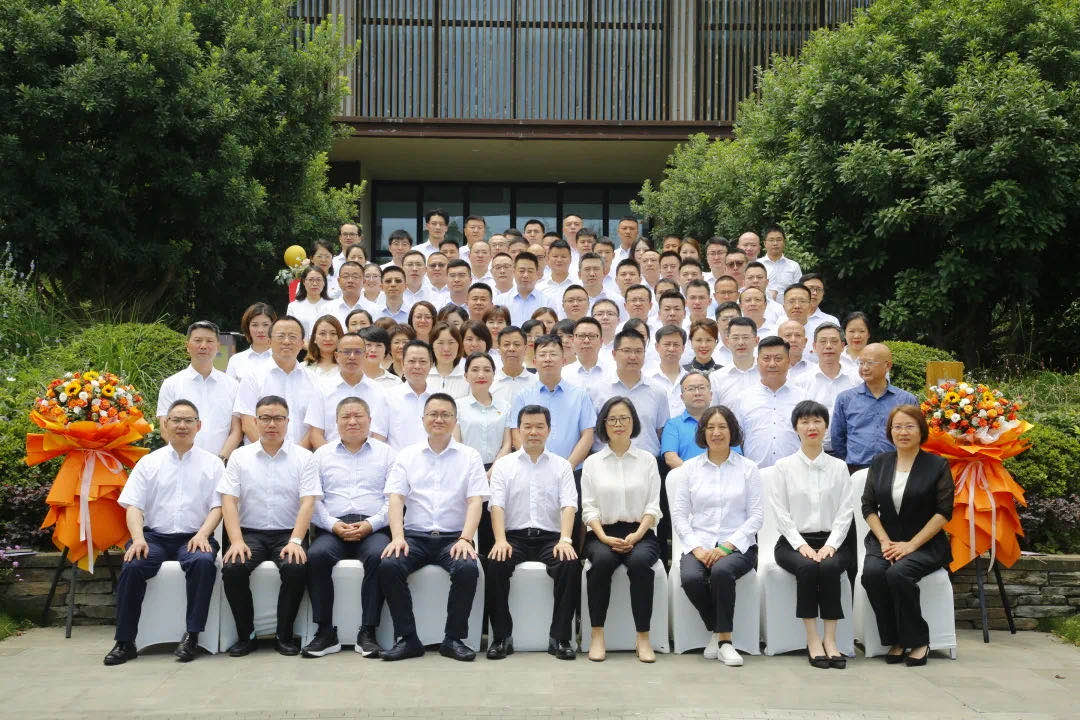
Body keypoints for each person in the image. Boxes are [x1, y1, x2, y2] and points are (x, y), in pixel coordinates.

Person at [104, 399, 224, 666]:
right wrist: (138, 539)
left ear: (199, 426)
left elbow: (218, 506)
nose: (182, 425)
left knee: (203, 562)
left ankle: (192, 636)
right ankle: (125, 642)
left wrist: (203, 534)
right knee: (133, 565)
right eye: (176, 420)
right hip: (154, 538)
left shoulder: (213, 464)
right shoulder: (149, 463)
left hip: (194, 536)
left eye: (188, 420)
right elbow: (133, 506)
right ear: (166, 425)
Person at [378, 394, 489, 662]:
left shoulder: (470, 456)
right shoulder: (407, 455)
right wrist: (397, 537)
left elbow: (475, 501)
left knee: (467, 568)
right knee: (389, 565)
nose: (439, 419)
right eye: (433, 414)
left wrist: (466, 539)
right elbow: (396, 498)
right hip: (415, 537)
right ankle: (408, 639)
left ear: (455, 420)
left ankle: (453, 639)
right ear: (423, 419)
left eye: (445, 415)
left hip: (453, 538)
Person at [219, 395, 318, 656]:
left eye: (278, 418)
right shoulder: (240, 457)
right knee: (232, 568)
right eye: (265, 418)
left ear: (287, 422)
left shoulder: (304, 458)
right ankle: (247, 635)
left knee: (296, 567)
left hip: (288, 533)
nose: (271, 424)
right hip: (250, 534)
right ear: (255, 421)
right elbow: (228, 500)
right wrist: (236, 541)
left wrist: (296, 541)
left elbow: (308, 502)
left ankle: (284, 635)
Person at [485, 405, 580, 660]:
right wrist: (500, 540)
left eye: (539, 426)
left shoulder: (561, 466)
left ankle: (560, 638)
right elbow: (496, 505)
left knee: (569, 563)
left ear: (549, 430)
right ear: (518, 430)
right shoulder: (504, 466)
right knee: (495, 563)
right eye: (527, 426)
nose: (533, 432)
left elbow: (569, 505)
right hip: (514, 537)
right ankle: (501, 637)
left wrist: (565, 540)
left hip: (551, 538)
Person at [860, 405, 953, 666]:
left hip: (925, 543)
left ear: (921, 430)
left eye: (909, 426)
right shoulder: (880, 462)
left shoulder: (937, 465)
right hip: (885, 540)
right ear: (890, 431)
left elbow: (944, 512)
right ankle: (896, 639)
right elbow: (868, 507)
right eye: (897, 427)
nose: (903, 432)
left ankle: (919, 640)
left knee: (898, 573)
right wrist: (884, 541)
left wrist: (911, 545)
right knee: (873, 574)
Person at [301, 397, 394, 659]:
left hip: (373, 527)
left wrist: (371, 523)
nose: (352, 421)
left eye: (358, 416)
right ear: (336, 422)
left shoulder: (387, 454)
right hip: (332, 527)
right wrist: (333, 525)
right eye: (346, 417)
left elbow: (394, 500)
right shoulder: (321, 455)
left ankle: (368, 633)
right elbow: (313, 499)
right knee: (316, 556)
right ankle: (324, 632)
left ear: (370, 420)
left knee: (380, 556)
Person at [670, 405, 762, 667]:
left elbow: (756, 516)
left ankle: (724, 642)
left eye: (722, 427)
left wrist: (727, 547)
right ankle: (716, 629)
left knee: (722, 571)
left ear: (732, 431)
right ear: (702, 432)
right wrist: (697, 548)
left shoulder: (748, 468)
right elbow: (680, 516)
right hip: (699, 543)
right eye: (710, 427)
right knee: (690, 578)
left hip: (739, 546)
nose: (716, 432)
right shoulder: (689, 469)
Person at [769, 400, 855, 669]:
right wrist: (800, 545)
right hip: (792, 543)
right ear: (796, 428)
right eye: (804, 422)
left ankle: (831, 639)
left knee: (829, 567)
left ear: (826, 426)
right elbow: (780, 512)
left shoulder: (838, 467)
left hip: (833, 541)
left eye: (817, 421)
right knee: (807, 568)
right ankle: (813, 639)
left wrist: (831, 545)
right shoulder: (783, 467)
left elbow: (846, 511)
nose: (811, 427)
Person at [581, 396, 662, 663]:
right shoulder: (593, 463)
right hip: (601, 532)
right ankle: (597, 635)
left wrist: (638, 534)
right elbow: (588, 507)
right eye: (612, 419)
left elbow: (653, 505)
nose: (618, 424)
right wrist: (603, 536)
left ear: (633, 422)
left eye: (624, 418)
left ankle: (643, 637)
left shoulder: (647, 460)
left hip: (640, 532)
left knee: (640, 563)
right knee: (602, 562)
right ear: (604, 424)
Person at [507, 335, 596, 472]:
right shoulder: (522, 396)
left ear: (564, 361)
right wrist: (533, 463)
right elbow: (516, 434)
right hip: (532, 470)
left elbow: (588, 435)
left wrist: (568, 467)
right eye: (542, 355)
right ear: (534, 362)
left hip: (572, 471)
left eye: (553, 354)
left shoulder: (580, 396)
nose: (547, 359)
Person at [157, 321, 242, 461]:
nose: (203, 346)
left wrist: (221, 460)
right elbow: (165, 429)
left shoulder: (232, 386)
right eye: (197, 340)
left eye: (209, 341)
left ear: (218, 347)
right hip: (182, 461)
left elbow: (236, 430)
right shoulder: (171, 384)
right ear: (187, 346)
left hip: (221, 464)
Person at [831, 343, 918, 472]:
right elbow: (837, 438)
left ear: (887, 365)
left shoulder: (906, 400)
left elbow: (916, 436)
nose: (864, 368)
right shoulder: (845, 399)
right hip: (856, 467)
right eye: (861, 363)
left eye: (870, 363)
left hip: (895, 468)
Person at [235, 316, 319, 448]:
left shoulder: (313, 379)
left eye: (292, 337)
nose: (286, 341)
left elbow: (315, 425)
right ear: (269, 342)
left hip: (303, 457)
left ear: (302, 343)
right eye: (280, 336)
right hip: (260, 455)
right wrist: (272, 452)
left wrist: (297, 455)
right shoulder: (253, 376)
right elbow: (248, 423)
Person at [590, 330, 670, 459]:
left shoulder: (658, 391)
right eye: (626, 351)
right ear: (614, 354)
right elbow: (591, 431)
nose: (633, 356)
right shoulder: (597, 390)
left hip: (648, 463)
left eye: (638, 351)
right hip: (606, 462)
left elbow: (661, 431)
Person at [730, 336, 806, 468]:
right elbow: (736, 439)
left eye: (778, 359)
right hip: (754, 473)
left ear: (788, 361)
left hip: (794, 472)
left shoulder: (802, 397)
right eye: (766, 358)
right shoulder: (743, 398)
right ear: (757, 361)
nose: (772, 364)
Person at [306, 332, 389, 447]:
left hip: (370, 456)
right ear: (336, 356)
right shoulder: (322, 389)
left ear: (365, 355)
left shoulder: (378, 390)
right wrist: (329, 456)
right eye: (346, 352)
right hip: (330, 456)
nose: (352, 357)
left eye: (357, 352)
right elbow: (315, 434)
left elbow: (379, 435)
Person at [799, 324, 861, 454]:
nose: (828, 346)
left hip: (850, 451)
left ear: (842, 346)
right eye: (823, 341)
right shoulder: (801, 381)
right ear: (814, 346)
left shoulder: (857, 379)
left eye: (834, 341)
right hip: (814, 451)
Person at [454, 352, 509, 467]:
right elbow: (456, 443)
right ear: (466, 375)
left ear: (494, 374)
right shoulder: (457, 406)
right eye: (475, 370)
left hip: (498, 469)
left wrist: (492, 472)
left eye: (487, 370)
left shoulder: (505, 407)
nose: (481, 375)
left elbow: (507, 445)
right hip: (466, 468)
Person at [385, 340, 436, 451]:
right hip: (398, 461)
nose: (417, 366)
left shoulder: (440, 398)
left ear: (431, 365)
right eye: (412, 361)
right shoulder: (388, 397)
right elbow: (379, 437)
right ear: (403, 364)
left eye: (423, 361)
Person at [661, 372, 712, 470]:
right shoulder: (673, 425)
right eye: (691, 389)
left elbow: (735, 455)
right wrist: (696, 475)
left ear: (711, 394)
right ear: (682, 397)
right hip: (687, 477)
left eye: (702, 388)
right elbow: (671, 458)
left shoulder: (724, 422)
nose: (697, 393)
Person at [709, 317, 759, 406]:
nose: (741, 343)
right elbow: (713, 411)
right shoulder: (716, 378)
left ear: (756, 341)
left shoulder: (767, 373)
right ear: (727, 341)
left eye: (745, 337)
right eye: (735, 338)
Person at [226, 303, 277, 384]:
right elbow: (229, 390)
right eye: (255, 325)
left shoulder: (283, 358)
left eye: (265, 325)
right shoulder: (236, 360)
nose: (260, 330)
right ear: (247, 327)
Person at [495, 252, 544, 326]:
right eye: (521, 271)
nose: (525, 275)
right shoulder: (500, 301)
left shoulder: (547, 302)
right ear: (514, 272)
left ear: (537, 273)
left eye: (530, 271)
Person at [562, 317, 612, 388]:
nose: (586, 340)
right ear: (573, 341)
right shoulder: (563, 374)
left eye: (592, 336)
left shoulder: (613, 372)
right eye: (581, 336)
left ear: (601, 342)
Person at [759, 225, 802, 300]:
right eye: (771, 240)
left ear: (784, 242)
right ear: (765, 243)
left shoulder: (794, 266)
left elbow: (799, 290)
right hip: (762, 306)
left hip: (787, 307)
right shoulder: (757, 264)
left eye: (779, 240)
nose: (775, 243)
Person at [287, 266, 330, 340]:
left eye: (318, 280)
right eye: (311, 280)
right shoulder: (293, 306)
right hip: (300, 345)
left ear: (324, 282)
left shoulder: (332, 305)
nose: (315, 284)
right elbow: (290, 331)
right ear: (304, 282)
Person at [326, 261, 371, 329]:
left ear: (364, 281)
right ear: (339, 281)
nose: (350, 280)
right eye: (345, 276)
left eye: (355, 277)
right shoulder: (327, 309)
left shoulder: (375, 310)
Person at [304, 315, 343, 384]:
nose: (328, 338)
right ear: (314, 338)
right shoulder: (303, 368)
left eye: (333, 333)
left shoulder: (349, 366)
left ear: (340, 337)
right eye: (322, 333)